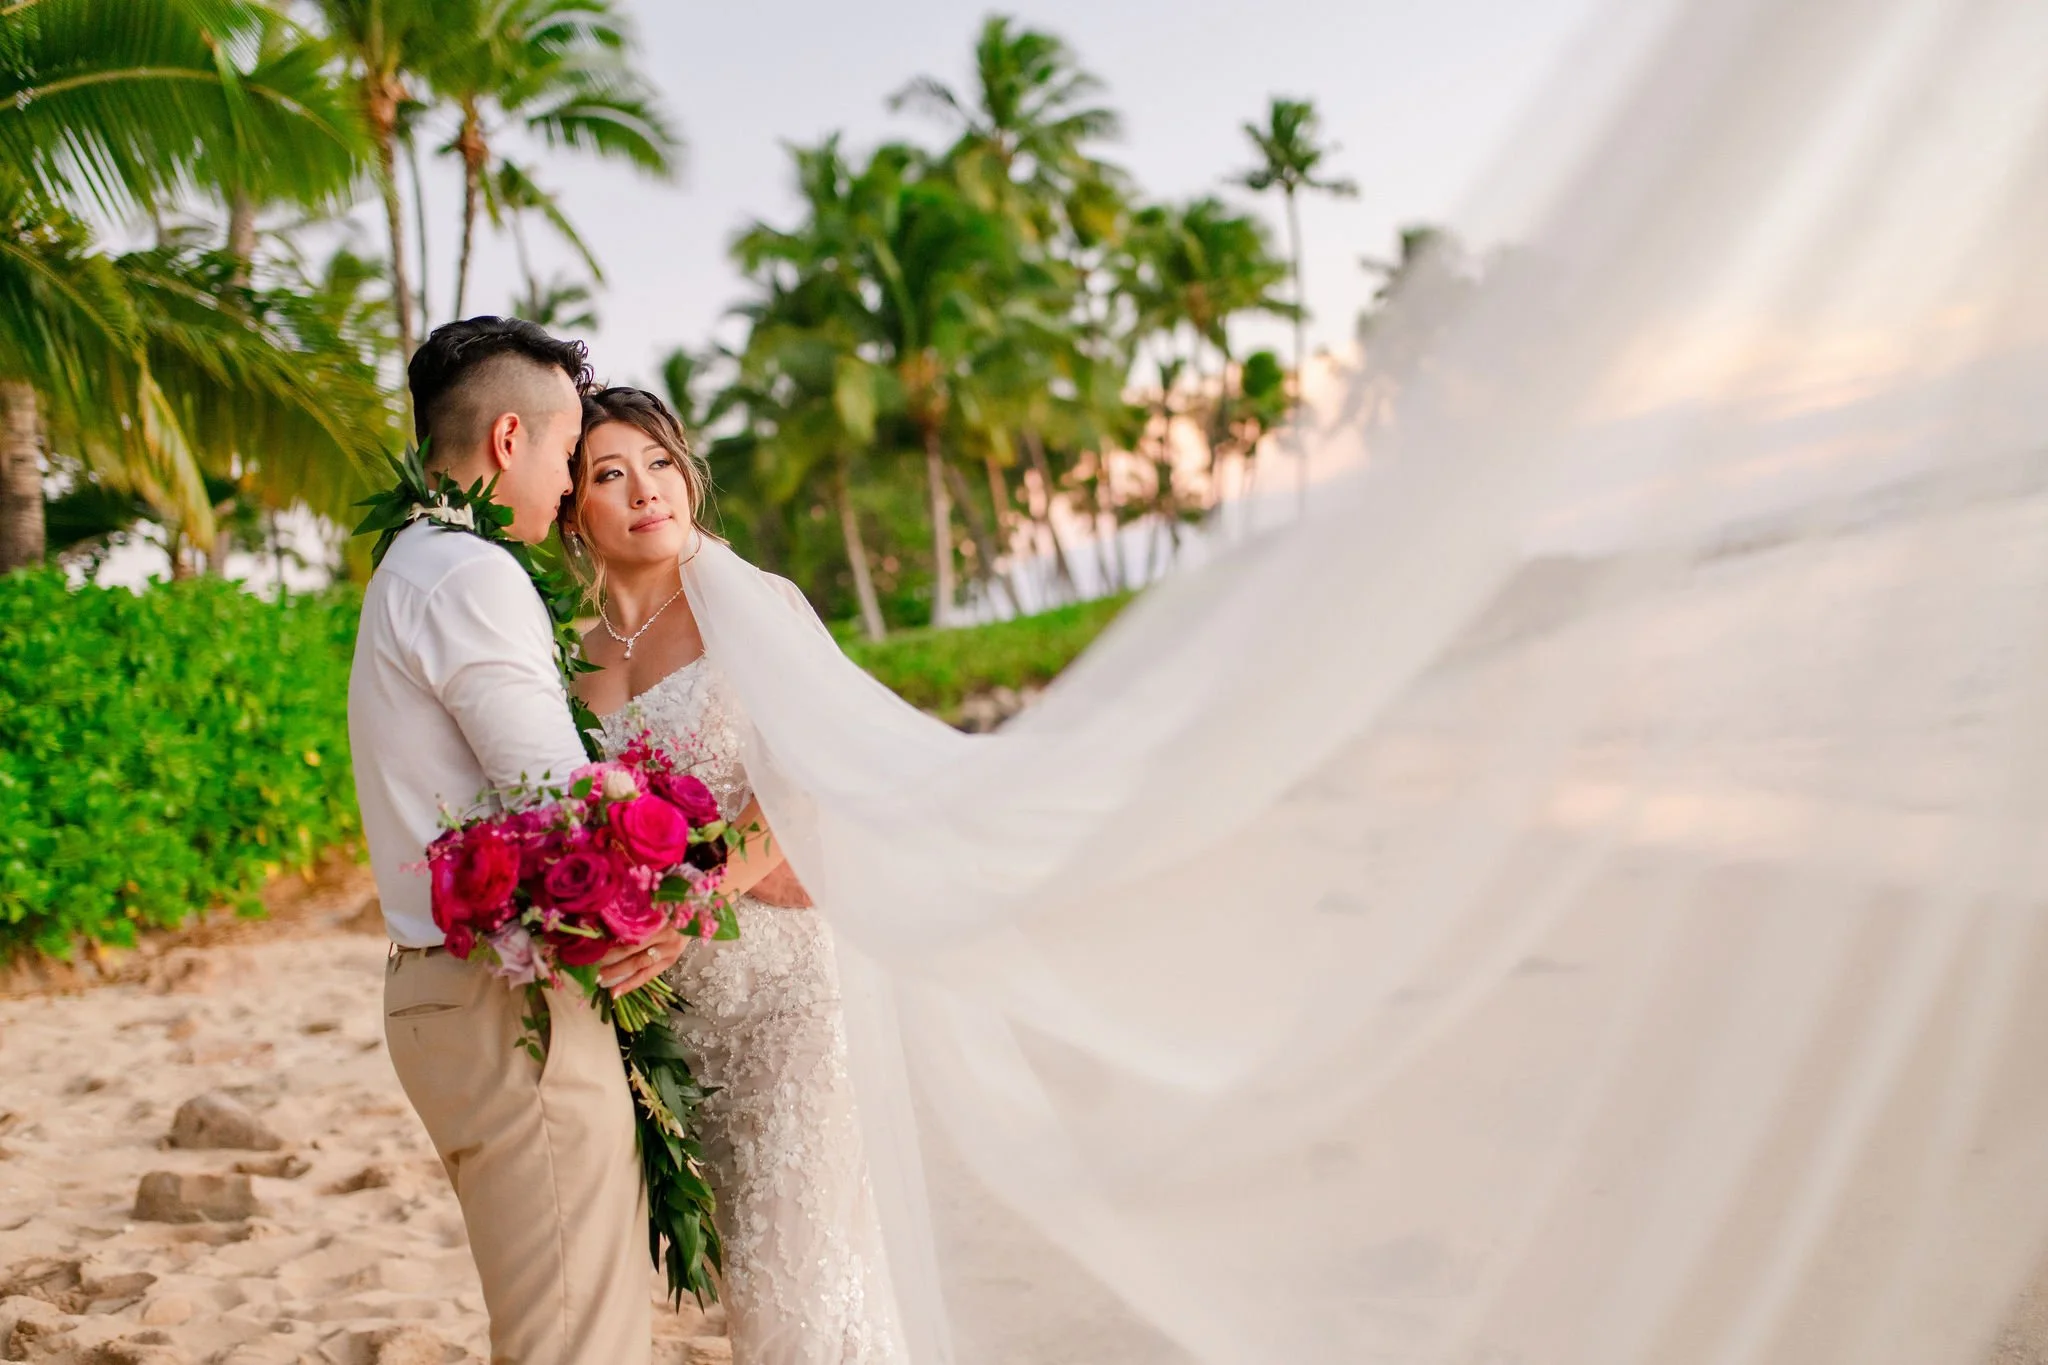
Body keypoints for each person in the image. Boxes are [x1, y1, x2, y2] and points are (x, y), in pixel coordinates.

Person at [347, 321, 688, 1365]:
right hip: (508, 1010)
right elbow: (556, 804)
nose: (565, 487)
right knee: (574, 1341)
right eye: (565, 451)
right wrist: (683, 879)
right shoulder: (470, 575)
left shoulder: (409, 566)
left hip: (439, 997)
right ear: (507, 442)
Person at [560, 385, 910, 1365]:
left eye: (660, 463)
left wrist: (690, 898)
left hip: (789, 993)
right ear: (572, 510)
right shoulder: (567, 667)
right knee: (754, 1284)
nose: (645, 490)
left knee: (794, 1291)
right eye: (608, 474)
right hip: (678, 1019)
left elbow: (803, 787)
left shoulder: (750, 608)